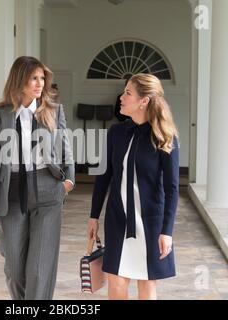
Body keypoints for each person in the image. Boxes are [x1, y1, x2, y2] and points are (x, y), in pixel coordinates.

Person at [0, 56, 75, 300]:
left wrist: (68, 182)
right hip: (11, 195)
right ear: (19, 80)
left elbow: (66, 149)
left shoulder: (53, 111)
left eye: (42, 78)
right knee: (14, 268)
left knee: (39, 270)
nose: (39, 84)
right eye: (33, 78)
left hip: (47, 191)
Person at [87, 73, 179, 300]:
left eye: (128, 93)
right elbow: (103, 177)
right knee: (116, 283)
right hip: (118, 219)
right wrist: (93, 216)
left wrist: (167, 231)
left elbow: (172, 188)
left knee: (146, 284)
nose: (121, 97)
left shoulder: (165, 137)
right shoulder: (116, 133)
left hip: (150, 224)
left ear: (143, 101)